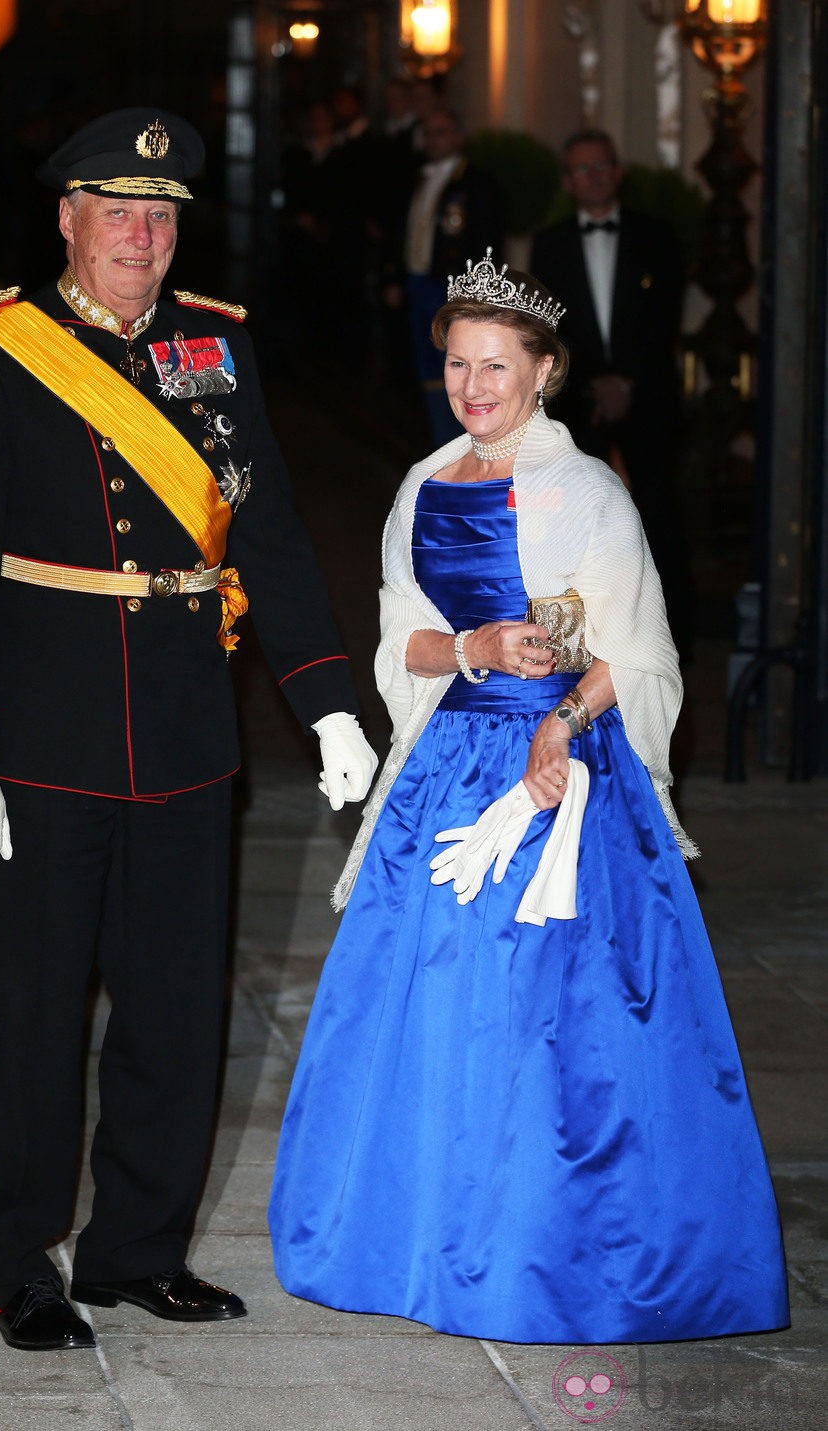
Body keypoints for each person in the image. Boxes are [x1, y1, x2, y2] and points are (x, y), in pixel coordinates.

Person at [0, 107, 377, 1353]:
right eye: (117, 213)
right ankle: (19, 1264)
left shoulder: (214, 350)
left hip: (182, 734)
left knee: (175, 1013)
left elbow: (263, 536)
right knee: (35, 1019)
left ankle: (136, 1252)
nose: (141, 237)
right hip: (42, 743)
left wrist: (325, 697)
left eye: (160, 217)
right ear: (67, 220)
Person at [268, 252, 789, 1344]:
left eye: (494, 366)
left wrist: (558, 721)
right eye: (456, 364)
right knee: (427, 1002)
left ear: (542, 371)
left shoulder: (586, 492)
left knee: (550, 1013)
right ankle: (417, 1239)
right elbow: (394, 642)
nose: (472, 387)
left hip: (561, 773)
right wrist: (469, 644)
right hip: (447, 768)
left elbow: (638, 653)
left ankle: (541, 1251)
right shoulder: (420, 484)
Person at [530, 128, 694, 662]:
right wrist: (595, 383)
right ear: (567, 181)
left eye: (601, 166)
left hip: (647, 394)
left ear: (617, 172)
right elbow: (552, 328)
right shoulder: (549, 243)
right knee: (578, 522)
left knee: (658, 513)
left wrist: (627, 381)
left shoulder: (656, 235)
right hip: (580, 400)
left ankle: (671, 643)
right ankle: (584, 648)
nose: (593, 177)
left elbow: (663, 317)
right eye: (581, 169)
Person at [383, 108, 503, 448]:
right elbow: (400, 233)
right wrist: (394, 277)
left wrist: (474, 296)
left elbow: (487, 245)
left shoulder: (477, 184)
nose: (434, 140)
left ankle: (468, 443)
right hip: (418, 284)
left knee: (460, 367)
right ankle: (440, 442)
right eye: (429, 133)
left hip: (453, 290)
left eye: (442, 132)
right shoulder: (415, 180)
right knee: (427, 367)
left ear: (459, 137)